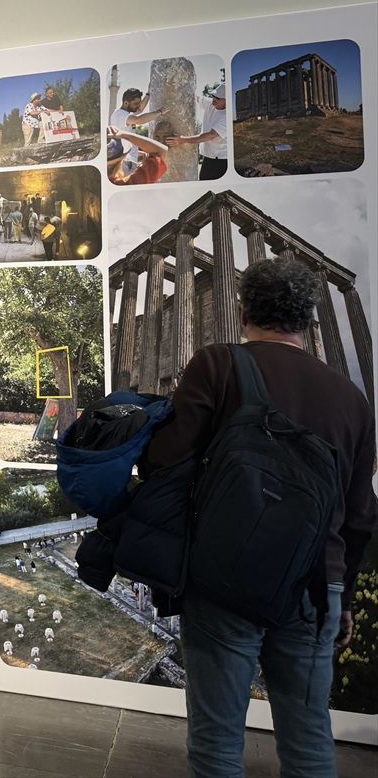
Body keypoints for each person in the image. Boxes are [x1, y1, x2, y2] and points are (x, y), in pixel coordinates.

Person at [142, 258, 376, 777]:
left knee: (217, 741)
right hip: (315, 586)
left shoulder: (217, 365)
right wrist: (342, 589)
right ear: (309, 323)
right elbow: (360, 517)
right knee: (309, 738)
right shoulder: (353, 402)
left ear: (242, 311)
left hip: (225, 575)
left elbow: (164, 459)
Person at [163, 83, 229, 180]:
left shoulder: (226, 117)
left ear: (227, 100)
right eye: (213, 96)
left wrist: (182, 140)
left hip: (220, 160)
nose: (214, 100)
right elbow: (195, 97)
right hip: (208, 156)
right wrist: (174, 88)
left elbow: (210, 135)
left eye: (218, 98)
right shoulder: (211, 104)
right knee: (203, 181)